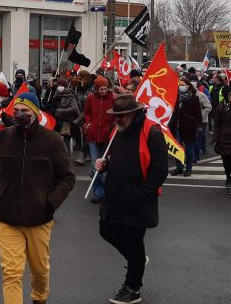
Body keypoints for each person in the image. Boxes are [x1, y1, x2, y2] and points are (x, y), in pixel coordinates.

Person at [0, 92, 74, 304]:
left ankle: (39, 298)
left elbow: (67, 178)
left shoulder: (52, 140)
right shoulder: (3, 137)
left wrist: (50, 203)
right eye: (16, 111)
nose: (19, 114)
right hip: (7, 220)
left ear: (35, 113)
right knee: (11, 274)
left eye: (25, 111)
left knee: (40, 271)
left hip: (39, 220)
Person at [95, 95, 168, 304]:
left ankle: (132, 288)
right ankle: (137, 261)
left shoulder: (152, 133)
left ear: (134, 114)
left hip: (138, 199)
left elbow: (160, 170)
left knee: (134, 243)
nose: (117, 119)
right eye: (115, 115)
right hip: (115, 196)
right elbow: (116, 158)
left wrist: (140, 194)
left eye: (122, 115)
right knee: (105, 229)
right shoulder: (117, 132)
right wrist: (105, 165)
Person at [83, 76, 116, 203]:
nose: (103, 91)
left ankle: (108, 191)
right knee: (94, 165)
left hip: (108, 138)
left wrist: (113, 128)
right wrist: (89, 123)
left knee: (106, 166)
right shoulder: (91, 98)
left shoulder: (113, 98)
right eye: (101, 89)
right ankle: (98, 192)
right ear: (96, 89)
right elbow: (87, 112)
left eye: (105, 88)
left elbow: (116, 114)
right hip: (93, 137)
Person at [170, 77, 201, 177]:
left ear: (188, 86)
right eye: (179, 85)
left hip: (189, 127)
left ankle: (188, 169)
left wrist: (195, 124)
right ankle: (179, 168)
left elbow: (198, 114)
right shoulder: (176, 97)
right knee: (177, 147)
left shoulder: (194, 98)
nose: (181, 87)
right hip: (177, 127)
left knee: (188, 149)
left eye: (183, 85)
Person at [51, 78, 81, 155]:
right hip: (57, 120)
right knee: (57, 140)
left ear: (65, 86)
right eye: (58, 85)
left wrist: (59, 111)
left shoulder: (70, 95)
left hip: (66, 121)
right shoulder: (56, 94)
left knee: (66, 141)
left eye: (61, 85)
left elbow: (74, 109)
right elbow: (54, 105)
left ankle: (66, 158)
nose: (59, 87)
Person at [73, 70, 95, 162]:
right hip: (81, 114)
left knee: (87, 135)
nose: (79, 79)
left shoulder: (93, 88)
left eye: (81, 78)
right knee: (85, 135)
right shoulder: (77, 88)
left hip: (91, 115)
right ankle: (89, 155)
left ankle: (83, 155)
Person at [195, 83, 212, 158]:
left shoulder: (202, 93)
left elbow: (208, 106)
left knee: (201, 135)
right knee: (194, 137)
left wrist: (201, 115)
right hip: (191, 120)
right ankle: (196, 153)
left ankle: (202, 148)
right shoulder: (186, 95)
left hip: (202, 120)